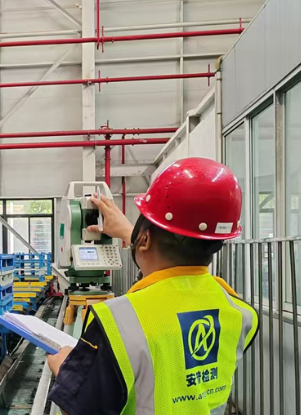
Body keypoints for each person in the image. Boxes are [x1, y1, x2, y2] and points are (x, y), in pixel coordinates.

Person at [46, 157, 259, 415]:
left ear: (144, 239)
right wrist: (132, 234)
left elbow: (79, 409)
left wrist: (65, 371)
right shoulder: (240, 313)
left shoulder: (116, 322)